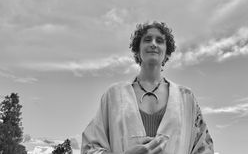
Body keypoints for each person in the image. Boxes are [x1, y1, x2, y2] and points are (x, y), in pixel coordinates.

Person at [81, 21, 214, 154]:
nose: (153, 44)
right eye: (147, 39)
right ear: (137, 51)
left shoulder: (186, 98)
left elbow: (204, 148)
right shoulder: (113, 96)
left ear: (167, 53)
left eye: (160, 40)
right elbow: (90, 147)